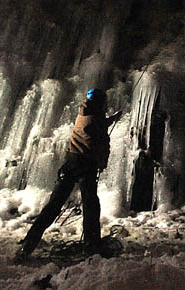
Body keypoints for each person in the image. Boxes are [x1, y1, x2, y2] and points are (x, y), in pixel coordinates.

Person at [15, 88, 122, 262]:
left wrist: (112, 119)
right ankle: (91, 244)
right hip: (85, 165)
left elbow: (95, 124)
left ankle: (29, 241)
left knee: (54, 204)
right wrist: (102, 162)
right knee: (91, 205)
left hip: (70, 163)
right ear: (100, 102)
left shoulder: (84, 112)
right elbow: (102, 142)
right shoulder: (97, 119)